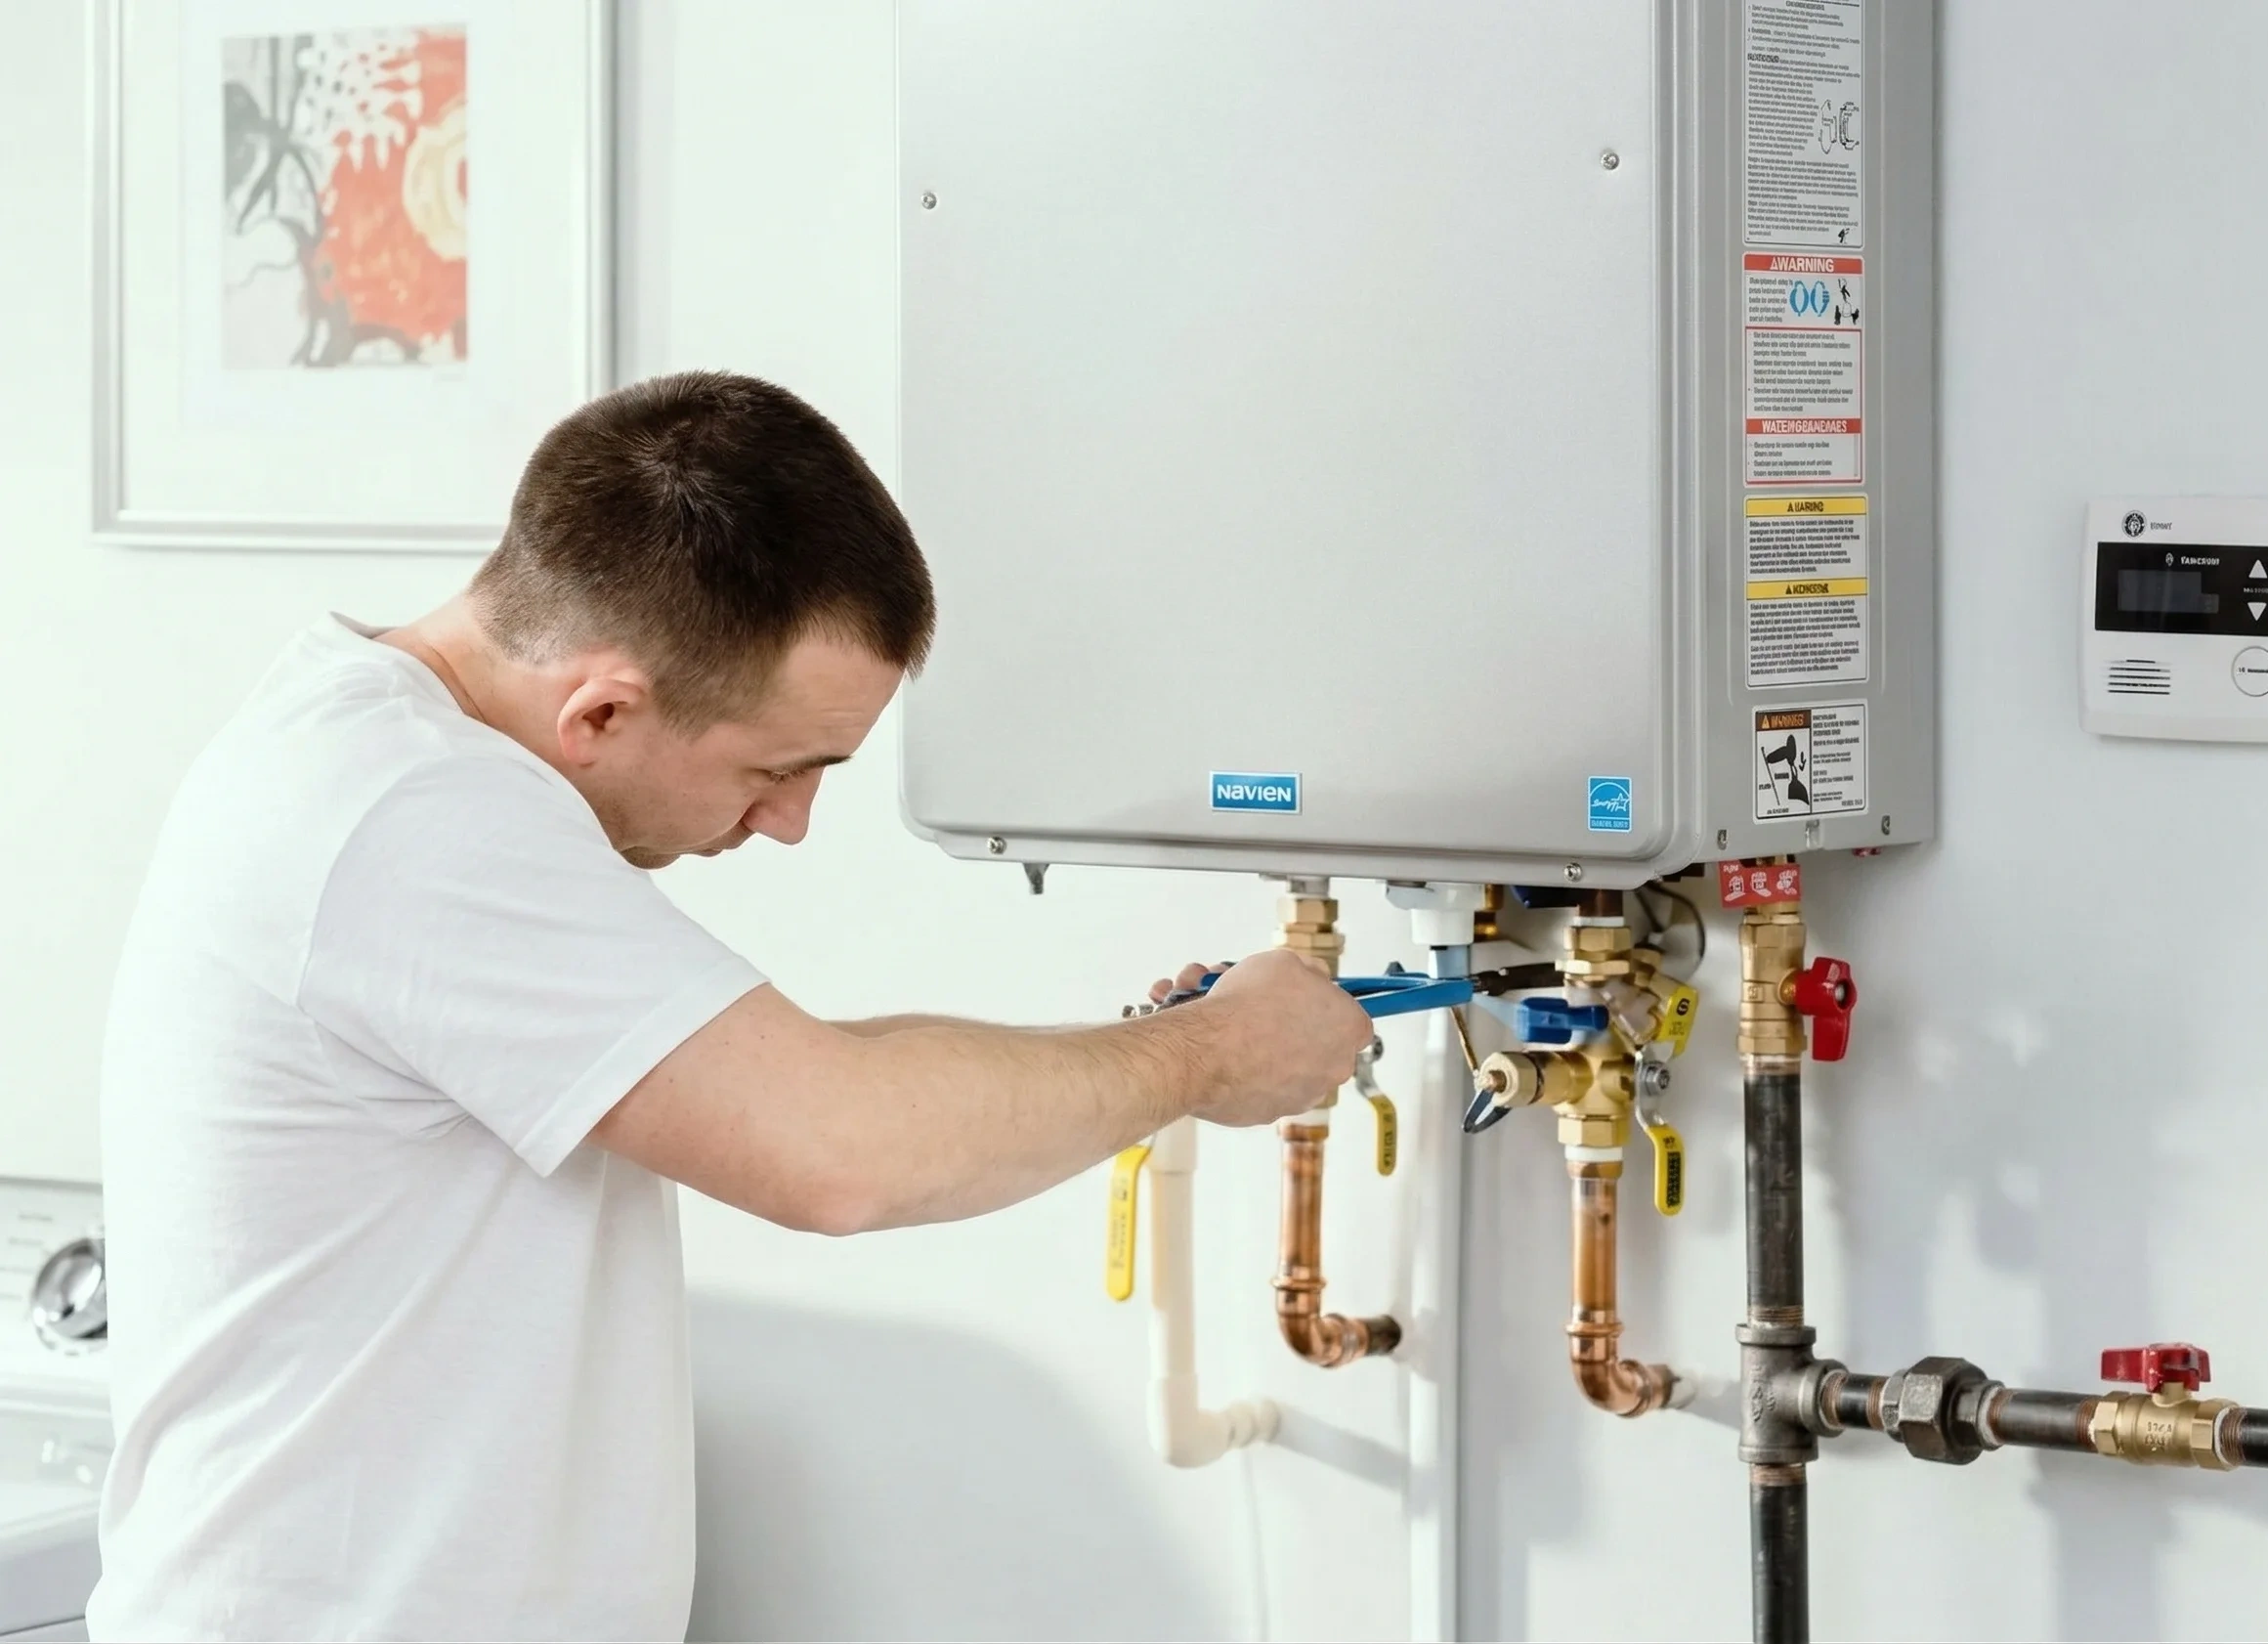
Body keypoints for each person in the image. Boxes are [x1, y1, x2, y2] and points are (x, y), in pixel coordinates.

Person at [89, 371, 1370, 1640]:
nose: (791, 822)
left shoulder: (376, 760)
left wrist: (1164, 1046)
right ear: (601, 708)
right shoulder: (411, 814)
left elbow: (790, 1077)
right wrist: (1209, 1054)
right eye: (779, 768)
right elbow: (838, 1151)